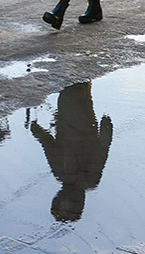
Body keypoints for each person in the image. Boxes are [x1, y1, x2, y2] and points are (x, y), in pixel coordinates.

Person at [30, 83, 114, 222]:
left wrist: (38, 132)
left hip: (75, 118)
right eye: (67, 205)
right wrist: (106, 128)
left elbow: (49, 146)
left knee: (77, 87)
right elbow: (102, 150)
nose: (64, 201)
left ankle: (78, 72)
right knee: (75, 88)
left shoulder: (64, 175)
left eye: (61, 204)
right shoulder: (80, 177)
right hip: (76, 117)